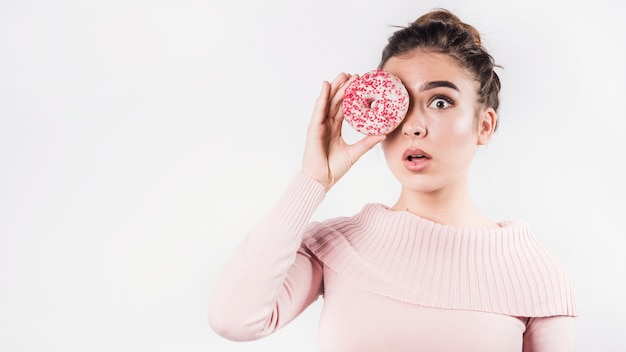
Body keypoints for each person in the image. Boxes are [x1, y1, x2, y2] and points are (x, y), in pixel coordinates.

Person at [208, 8, 577, 351]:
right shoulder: (334, 246)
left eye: (440, 102)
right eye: (400, 103)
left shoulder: (535, 271)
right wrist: (313, 180)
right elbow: (233, 320)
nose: (413, 126)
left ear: (484, 125)